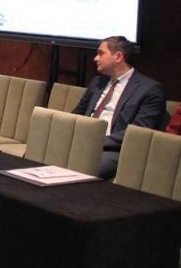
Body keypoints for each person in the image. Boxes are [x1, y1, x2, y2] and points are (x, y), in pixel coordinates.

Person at [72, 36, 167, 179]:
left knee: (81, 167)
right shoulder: (98, 82)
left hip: (114, 150)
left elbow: (138, 133)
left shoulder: (150, 89)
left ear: (118, 56)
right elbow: (77, 113)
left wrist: (94, 140)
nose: (95, 58)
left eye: (100, 53)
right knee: (41, 153)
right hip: (83, 141)